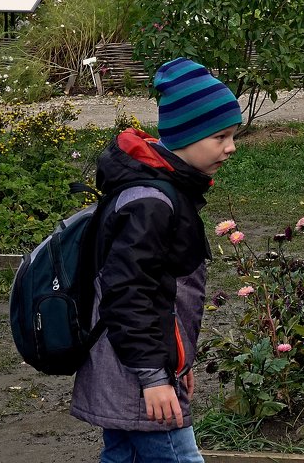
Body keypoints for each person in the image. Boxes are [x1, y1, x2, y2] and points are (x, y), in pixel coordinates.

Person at [71, 57, 243, 463]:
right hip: (137, 373)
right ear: (185, 135)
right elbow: (129, 295)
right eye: (220, 136)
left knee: (123, 456)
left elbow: (160, 293)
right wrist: (155, 376)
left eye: (233, 135)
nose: (231, 147)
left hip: (133, 365)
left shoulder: (161, 191)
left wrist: (177, 365)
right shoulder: (152, 203)